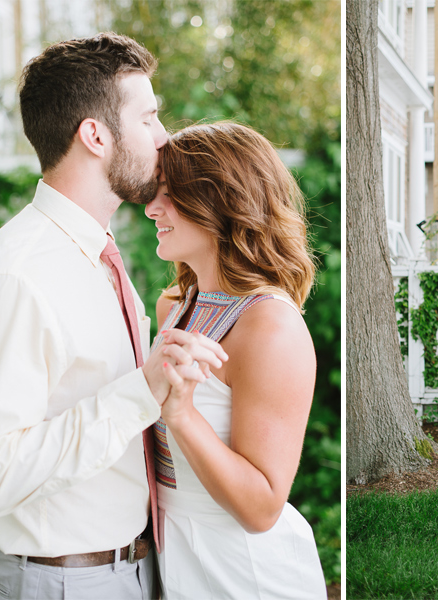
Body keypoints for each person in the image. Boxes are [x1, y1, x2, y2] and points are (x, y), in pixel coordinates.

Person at [0, 33, 226, 599]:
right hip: (57, 583)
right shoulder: (17, 275)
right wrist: (141, 390)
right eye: (148, 118)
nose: (162, 136)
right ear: (95, 135)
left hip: (127, 571)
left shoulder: (95, 256)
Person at [144, 122, 327, 599]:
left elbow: (263, 508)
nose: (151, 209)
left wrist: (180, 415)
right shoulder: (174, 305)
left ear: (221, 201)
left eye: (170, 195)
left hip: (244, 573)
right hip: (172, 557)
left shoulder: (270, 326)